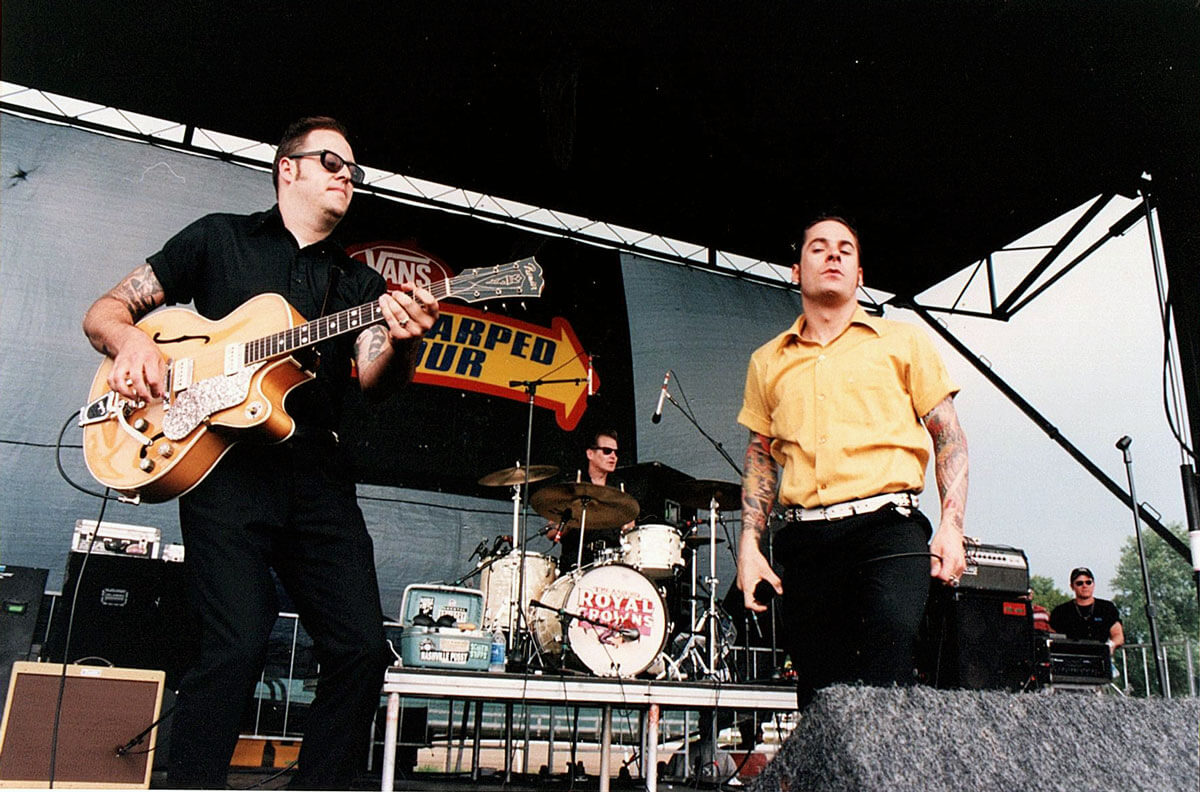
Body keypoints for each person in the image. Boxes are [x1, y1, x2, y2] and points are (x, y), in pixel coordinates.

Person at [82, 117, 440, 788]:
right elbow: (104, 311)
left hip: (318, 478)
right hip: (225, 472)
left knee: (362, 650)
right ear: (288, 168)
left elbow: (374, 379)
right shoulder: (219, 239)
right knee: (236, 645)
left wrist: (404, 337)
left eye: (354, 170)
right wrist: (132, 342)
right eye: (332, 160)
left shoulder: (359, 286)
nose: (346, 176)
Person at [735, 215, 969, 707]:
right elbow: (760, 458)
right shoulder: (768, 360)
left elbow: (949, 435)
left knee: (886, 673)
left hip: (888, 527)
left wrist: (951, 525)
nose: (834, 254)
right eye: (818, 247)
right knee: (821, 699)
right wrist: (749, 547)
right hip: (806, 540)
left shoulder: (903, 341)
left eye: (845, 248)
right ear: (796, 270)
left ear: (860, 273)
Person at [554, 429, 635, 571]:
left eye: (616, 453)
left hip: (611, 564)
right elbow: (552, 534)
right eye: (607, 451)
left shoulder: (619, 490)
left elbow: (630, 531)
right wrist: (572, 515)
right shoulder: (574, 487)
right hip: (577, 563)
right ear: (590, 454)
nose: (613, 457)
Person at [1049, 567, 1125, 654]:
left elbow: (1118, 635)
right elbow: (1052, 636)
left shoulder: (1107, 608)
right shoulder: (1061, 611)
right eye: (1079, 583)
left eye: (1088, 582)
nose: (1084, 586)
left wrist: (1111, 645)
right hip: (1070, 659)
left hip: (1100, 659)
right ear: (1072, 586)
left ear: (1093, 584)